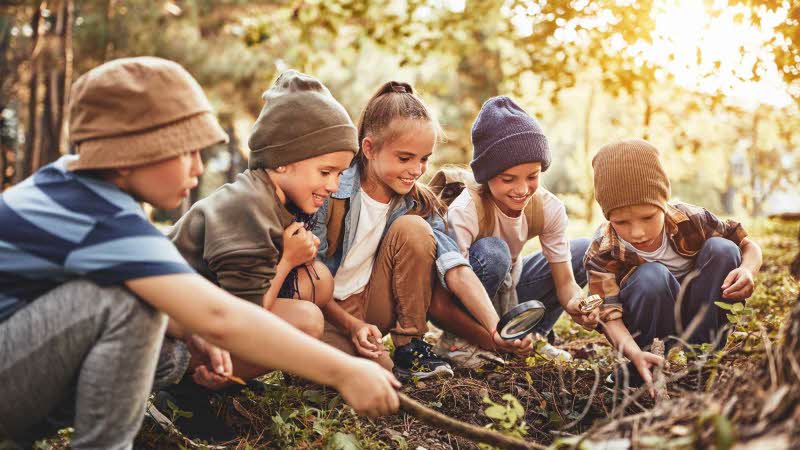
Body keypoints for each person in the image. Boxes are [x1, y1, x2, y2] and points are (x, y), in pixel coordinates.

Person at [0, 57, 399, 449]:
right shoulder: (97, 215)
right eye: (185, 152)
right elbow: (220, 316)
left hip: (19, 363)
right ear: (131, 154)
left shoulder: (75, 191)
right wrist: (344, 371)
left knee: (168, 343)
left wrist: (190, 332)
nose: (197, 168)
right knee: (132, 305)